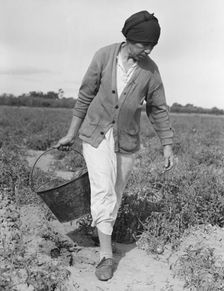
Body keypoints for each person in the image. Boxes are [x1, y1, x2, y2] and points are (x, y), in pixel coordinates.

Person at [55, 10, 174, 281]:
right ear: (129, 38)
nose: (149, 49)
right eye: (144, 44)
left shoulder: (150, 71)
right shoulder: (103, 56)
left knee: (115, 193)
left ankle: (100, 230)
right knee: (105, 190)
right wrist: (71, 133)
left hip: (127, 140)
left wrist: (167, 145)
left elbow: (158, 109)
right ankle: (107, 257)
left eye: (153, 45)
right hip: (96, 134)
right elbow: (85, 95)